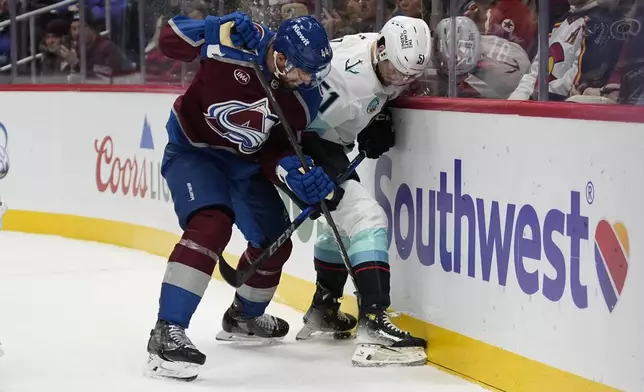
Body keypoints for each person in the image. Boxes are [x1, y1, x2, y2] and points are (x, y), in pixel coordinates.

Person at [145, 12, 335, 381]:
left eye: (315, 71)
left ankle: (244, 318)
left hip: (244, 167)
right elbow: (169, 42)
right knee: (211, 225)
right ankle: (166, 334)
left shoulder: (304, 98)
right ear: (281, 58)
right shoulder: (235, 42)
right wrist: (210, 29)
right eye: (303, 70)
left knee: (274, 243)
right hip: (194, 152)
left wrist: (295, 173)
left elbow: (274, 150)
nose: (309, 80)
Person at [283, 15, 433, 367]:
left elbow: (382, 89)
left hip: (326, 143)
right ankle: (374, 326)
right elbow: (297, 121)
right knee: (366, 216)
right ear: (381, 50)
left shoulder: (375, 46)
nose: (401, 81)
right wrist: (303, 171)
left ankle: (324, 305)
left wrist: (378, 114)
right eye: (396, 72)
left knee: (347, 220)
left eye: (409, 76)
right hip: (307, 145)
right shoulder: (348, 82)